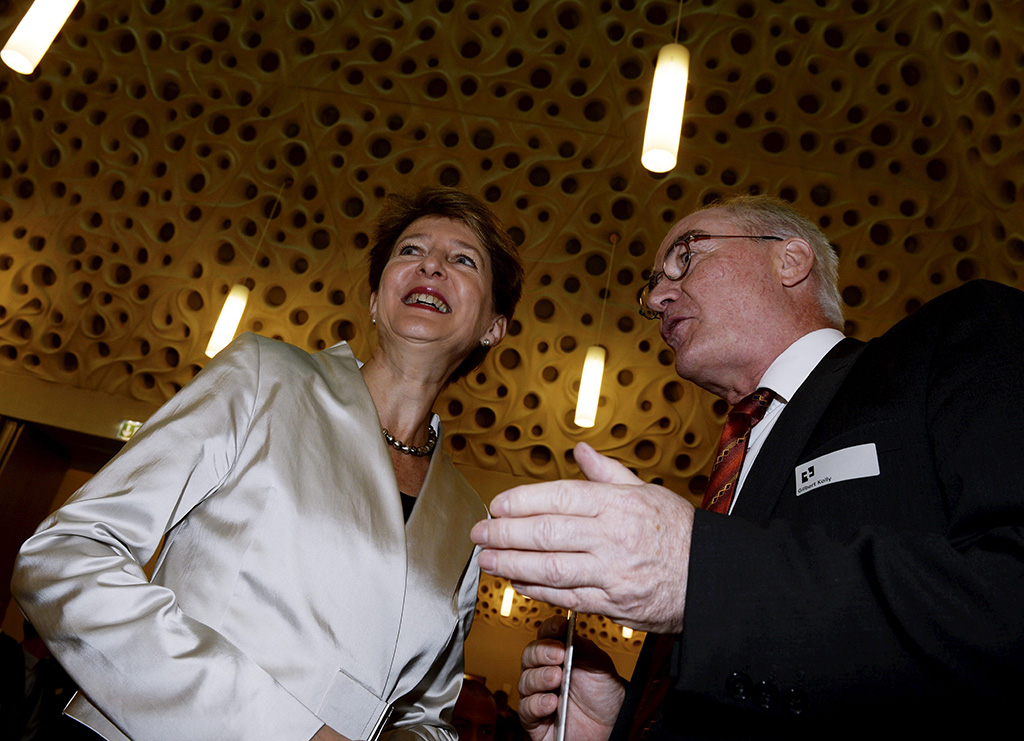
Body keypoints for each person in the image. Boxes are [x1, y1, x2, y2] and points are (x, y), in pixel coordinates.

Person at [469, 194, 1024, 737]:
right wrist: (625, 721)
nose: (659, 297)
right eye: (652, 286)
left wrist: (700, 572)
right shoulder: (725, 471)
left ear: (790, 259)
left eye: (685, 256)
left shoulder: (959, 335)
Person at [12, 186, 524, 741]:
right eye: (410, 250)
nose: (431, 264)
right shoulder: (265, 376)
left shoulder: (470, 520)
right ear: (376, 299)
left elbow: (427, 717)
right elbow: (65, 556)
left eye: (462, 259)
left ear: (493, 326)